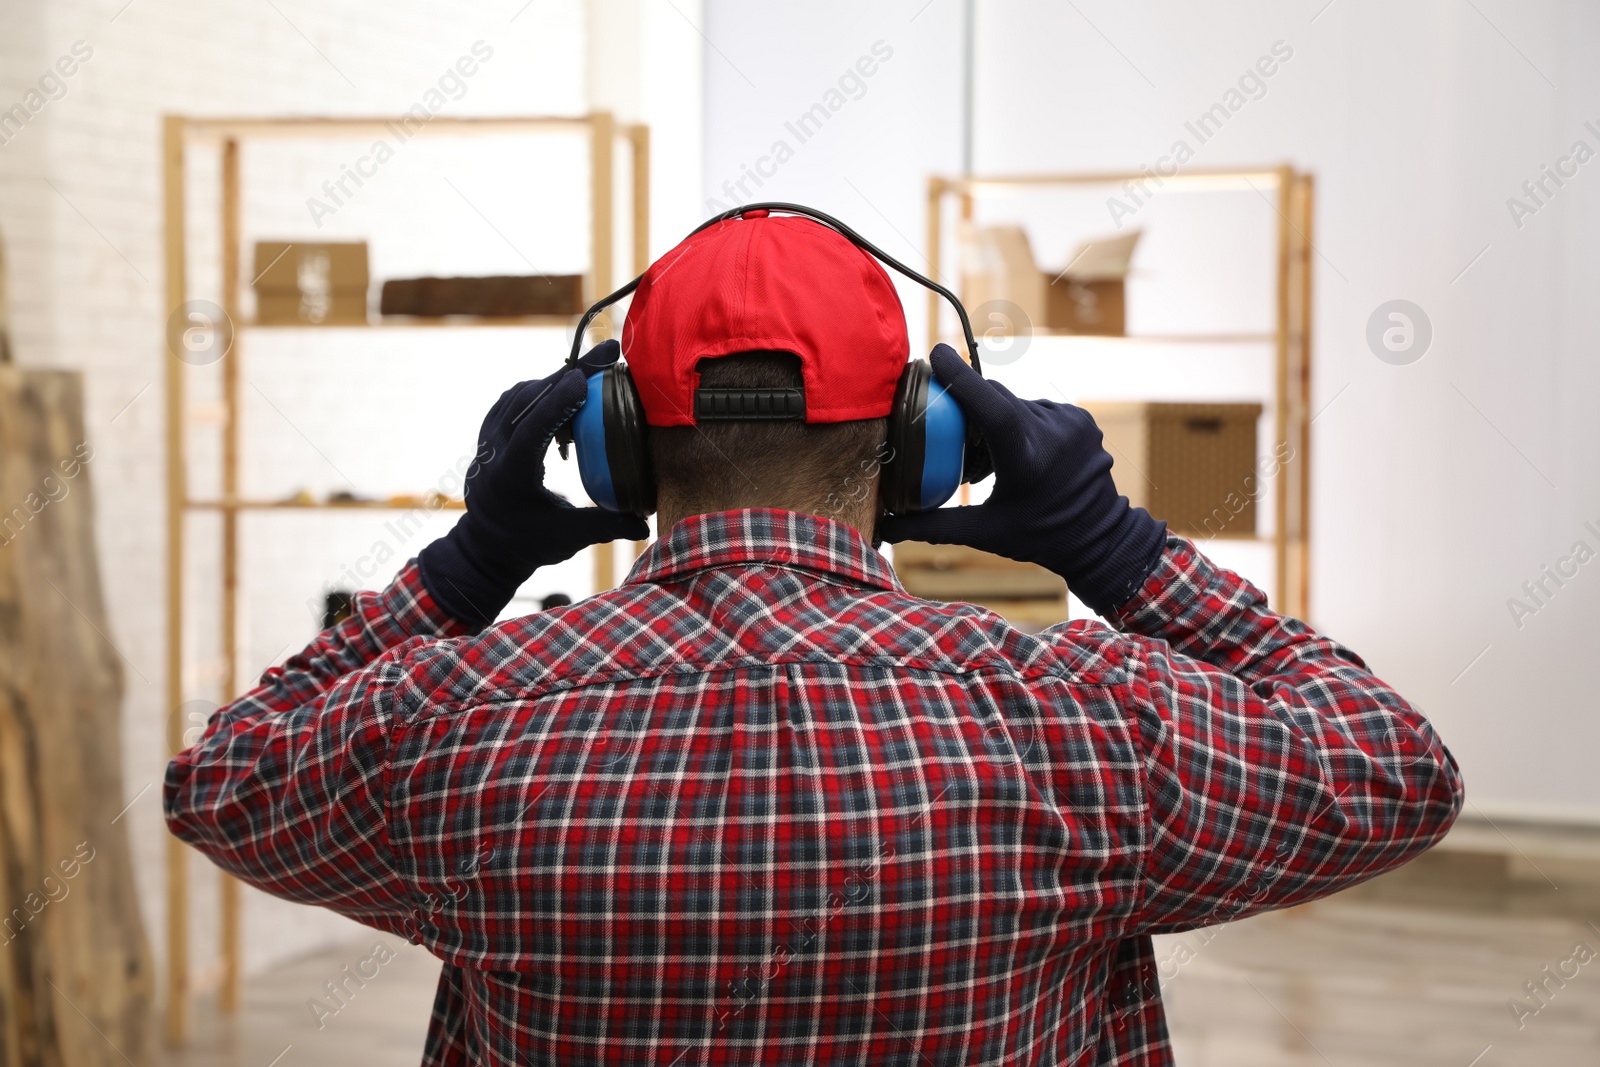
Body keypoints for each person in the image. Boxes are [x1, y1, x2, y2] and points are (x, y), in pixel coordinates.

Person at [166, 211, 1463, 1066]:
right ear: (918, 445)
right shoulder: (1085, 721)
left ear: (614, 443)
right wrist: (1117, 548)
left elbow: (217, 778)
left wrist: (470, 563)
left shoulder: (451, 725)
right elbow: (1398, 767)